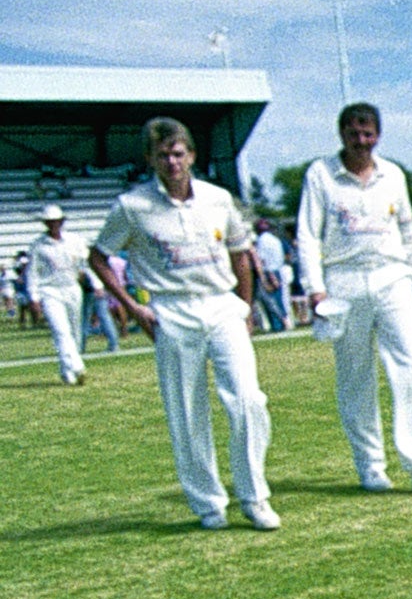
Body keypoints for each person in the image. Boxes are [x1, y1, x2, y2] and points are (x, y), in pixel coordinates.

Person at [90, 117, 279, 530]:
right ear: (150, 159)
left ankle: (255, 495)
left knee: (248, 400)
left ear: (191, 155)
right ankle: (209, 503)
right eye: (163, 155)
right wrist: (135, 307)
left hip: (220, 304)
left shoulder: (217, 198)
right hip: (171, 310)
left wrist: (245, 307)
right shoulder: (132, 206)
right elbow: (99, 257)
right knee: (186, 410)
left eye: (178, 153)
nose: (172, 162)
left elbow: (240, 253)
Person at [296, 101, 412, 494]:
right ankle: (370, 465)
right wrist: (315, 288)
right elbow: (307, 235)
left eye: (368, 134)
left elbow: (408, 235)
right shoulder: (321, 175)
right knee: (355, 378)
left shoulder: (393, 175)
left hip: (392, 278)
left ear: (378, 135)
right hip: (343, 281)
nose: (361, 142)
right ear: (342, 135)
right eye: (354, 134)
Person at [26, 204, 95, 385]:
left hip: (72, 288)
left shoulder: (74, 240)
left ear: (62, 221)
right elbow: (32, 273)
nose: (53, 225)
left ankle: (66, 371)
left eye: (56, 221)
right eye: (50, 222)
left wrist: (97, 283)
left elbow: (86, 263)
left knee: (74, 331)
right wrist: (33, 297)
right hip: (49, 291)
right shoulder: (38, 245)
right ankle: (78, 366)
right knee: (61, 331)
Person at [250, 219, 292, 332]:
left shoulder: (262, 241)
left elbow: (263, 260)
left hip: (269, 272)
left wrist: (265, 277)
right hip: (278, 270)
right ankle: (282, 323)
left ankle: (279, 324)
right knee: (279, 299)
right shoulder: (275, 240)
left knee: (271, 301)